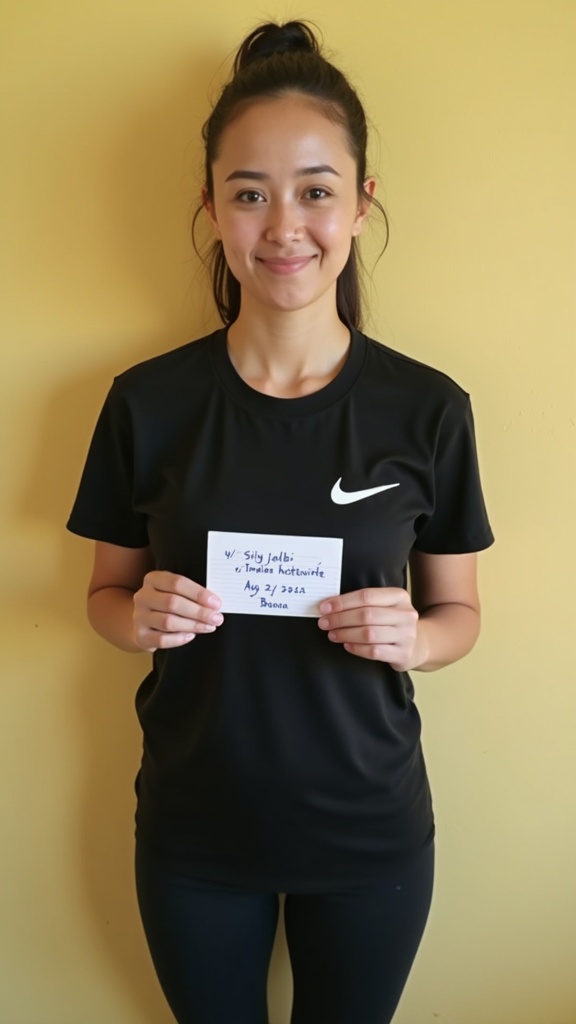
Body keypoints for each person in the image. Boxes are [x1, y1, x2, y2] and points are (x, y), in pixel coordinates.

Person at [67, 19, 494, 1024]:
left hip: (370, 836)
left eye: (315, 190)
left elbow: (461, 612)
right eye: (249, 192)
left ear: (360, 202)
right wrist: (136, 618)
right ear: (212, 207)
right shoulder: (147, 402)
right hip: (194, 833)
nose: (284, 225)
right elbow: (102, 595)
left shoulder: (428, 409)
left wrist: (420, 638)